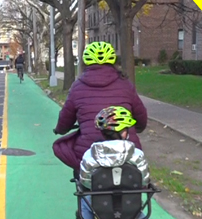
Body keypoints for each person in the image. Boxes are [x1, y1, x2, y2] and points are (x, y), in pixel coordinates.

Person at [52, 41, 147, 176]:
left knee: (87, 182)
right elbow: (141, 117)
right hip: (127, 150)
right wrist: (135, 128)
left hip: (91, 151)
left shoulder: (77, 87)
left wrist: (60, 130)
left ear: (86, 63)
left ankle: (88, 196)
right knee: (134, 180)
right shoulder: (125, 84)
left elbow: (66, 119)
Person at [75, 105, 151, 219]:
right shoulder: (137, 154)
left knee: (85, 201)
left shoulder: (90, 154)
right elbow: (144, 180)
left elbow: (85, 181)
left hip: (100, 204)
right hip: (129, 204)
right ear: (124, 132)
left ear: (103, 132)